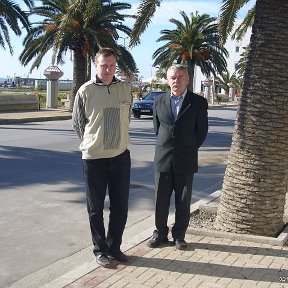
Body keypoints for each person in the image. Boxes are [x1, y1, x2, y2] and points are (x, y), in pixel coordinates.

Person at [72, 48, 132, 267]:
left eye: (112, 65)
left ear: (116, 66)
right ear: (95, 66)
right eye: (103, 65)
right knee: (95, 207)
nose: (108, 69)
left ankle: (114, 247)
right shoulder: (85, 91)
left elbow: (127, 118)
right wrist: (93, 142)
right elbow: (78, 124)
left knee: (120, 206)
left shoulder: (125, 88)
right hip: (94, 158)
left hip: (121, 156)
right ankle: (100, 250)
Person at [147, 64, 208, 250]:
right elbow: (157, 128)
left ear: (187, 80)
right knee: (161, 200)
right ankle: (160, 234)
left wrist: (187, 148)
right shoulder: (158, 101)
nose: (176, 80)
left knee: (183, 201)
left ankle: (179, 236)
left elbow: (201, 132)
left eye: (181, 77)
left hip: (186, 159)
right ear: (167, 80)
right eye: (173, 77)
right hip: (163, 159)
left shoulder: (198, 102)